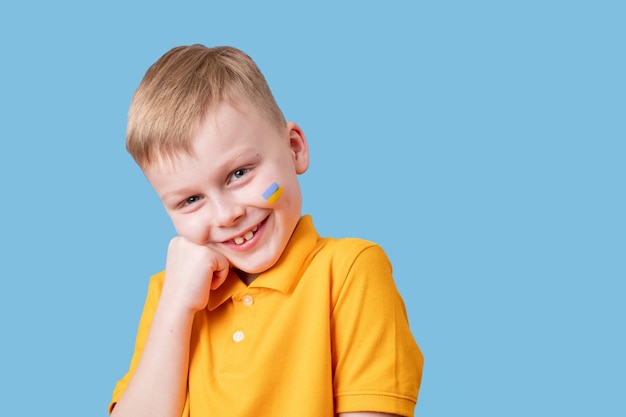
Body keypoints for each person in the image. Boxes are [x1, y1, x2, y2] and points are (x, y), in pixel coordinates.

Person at [109, 44, 423, 417]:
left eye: (239, 173)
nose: (226, 215)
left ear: (294, 149)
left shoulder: (349, 271)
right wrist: (176, 306)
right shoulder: (170, 295)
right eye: (190, 200)